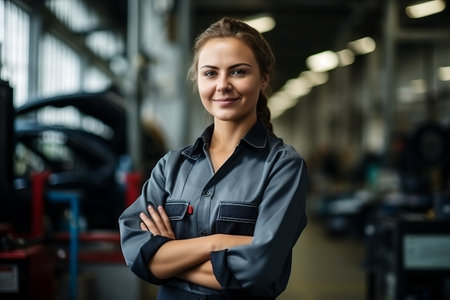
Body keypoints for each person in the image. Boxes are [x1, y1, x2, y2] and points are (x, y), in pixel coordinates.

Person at [118, 17, 308, 300]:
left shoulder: (282, 166)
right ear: (198, 78)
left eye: (238, 72)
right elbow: (135, 252)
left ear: (264, 77)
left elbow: (258, 270)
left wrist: (168, 259)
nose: (223, 85)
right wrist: (217, 243)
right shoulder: (171, 167)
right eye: (210, 73)